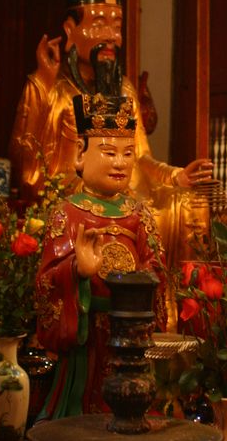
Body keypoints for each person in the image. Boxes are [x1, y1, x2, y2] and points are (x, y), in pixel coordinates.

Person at [9, 0, 213, 320]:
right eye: (99, 24)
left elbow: (140, 157)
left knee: (187, 204)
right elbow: (28, 168)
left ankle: (175, 316)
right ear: (70, 29)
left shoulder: (124, 89)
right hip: (70, 191)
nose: (111, 38)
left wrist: (177, 177)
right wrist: (43, 84)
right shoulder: (52, 90)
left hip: (124, 191)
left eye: (117, 26)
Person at [35, 90, 166, 419]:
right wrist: (77, 271)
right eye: (109, 152)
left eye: (127, 153)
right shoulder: (68, 214)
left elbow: (157, 267)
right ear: (81, 153)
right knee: (82, 412)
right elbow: (46, 280)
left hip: (129, 334)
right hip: (87, 335)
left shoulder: (139, 214)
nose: (120, 163)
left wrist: (143, 279)